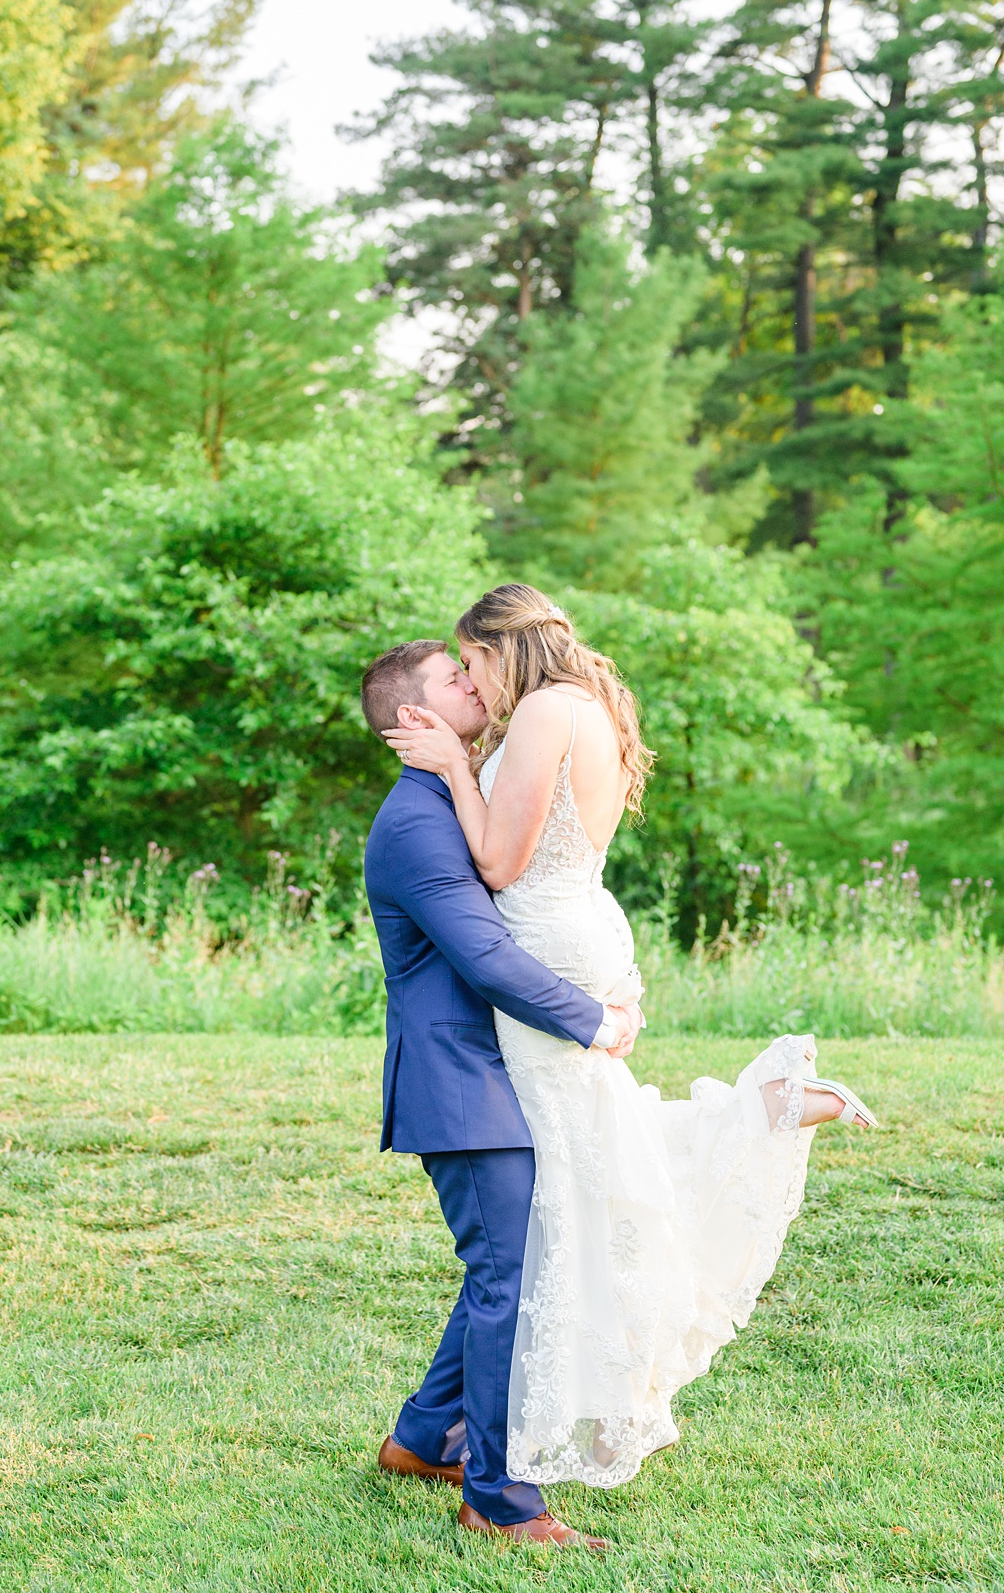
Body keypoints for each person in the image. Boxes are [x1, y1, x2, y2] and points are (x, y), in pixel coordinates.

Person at [378, 586, 872, 1509]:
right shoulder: (587, 704)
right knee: (570, 1186)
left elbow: (498, 871)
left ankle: (492, 1482)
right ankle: (429, 1441)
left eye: (471, 662)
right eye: (457, 676)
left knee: (567, 1200)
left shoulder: (539, 716)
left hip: (550, 956)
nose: (474, 684)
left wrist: (453, 769)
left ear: (501, 649)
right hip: (579, 936)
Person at [357, 635, 639, 1551]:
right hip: (463, 1086)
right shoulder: (414, 821)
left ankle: (421, 1438)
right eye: (453, 677)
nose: (475, 681)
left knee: (503, 1272)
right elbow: (483, 955)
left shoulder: (453, 796)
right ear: (416, 717)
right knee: (511, 1282)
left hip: (503, 1074)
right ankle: (500, 1499)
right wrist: (591, 1019)